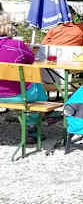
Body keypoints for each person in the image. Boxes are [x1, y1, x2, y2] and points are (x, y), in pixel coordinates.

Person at [0, 12, 47, 140]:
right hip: (17, 95)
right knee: (37, 86)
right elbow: (31, 59)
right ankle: (32, 127)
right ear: (8, 27)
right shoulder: (18, 45)